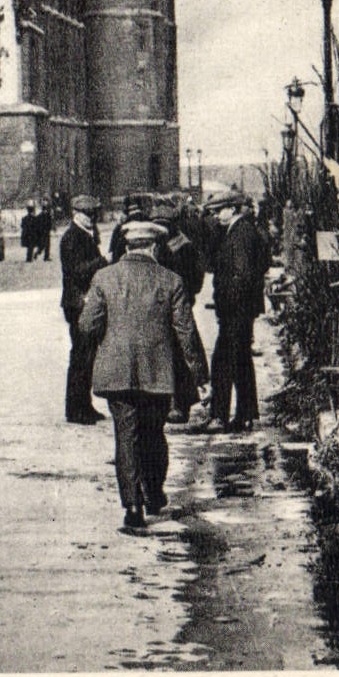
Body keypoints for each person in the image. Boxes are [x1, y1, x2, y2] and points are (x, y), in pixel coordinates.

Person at [79, 215, 208, 532]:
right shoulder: (170, 280)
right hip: (158, 372)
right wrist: (199, 373)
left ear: (127, 244)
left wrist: (110, 341)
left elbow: (86, 325)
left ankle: (132, 505)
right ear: (153, 245)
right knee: (154, 433)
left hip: (116, 374)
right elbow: (186, 332)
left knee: (126, 437)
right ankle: (153, 492)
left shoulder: (104, 278)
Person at [208, 196, 271, 431]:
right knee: (241, 361)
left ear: (231, 209)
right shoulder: (243, 230)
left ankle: (220, 417)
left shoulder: (240, 234)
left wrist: (227, 302)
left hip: (236, 310)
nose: (215, 216)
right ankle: (244, 414)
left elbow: (241, 275)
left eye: (218, 211)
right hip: (241, 309)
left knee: (224, 362)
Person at [153, 200, 208, 422]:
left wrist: (187, 297)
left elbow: (196, 276)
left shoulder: (183, 247)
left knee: (181, 353)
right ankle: (166, 402)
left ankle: (181, 403)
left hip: (178, 305)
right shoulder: (158, 245)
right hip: (160, 308)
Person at [59, 195, 108, 423]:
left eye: (94, 214)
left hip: (83, 302)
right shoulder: (72, 238)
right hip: (77, 303)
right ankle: (76, 409)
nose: (92, 218)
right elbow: (77, 271)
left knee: (87, 356)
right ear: (76, 214)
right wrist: (101, 262)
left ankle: (84, 405)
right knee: (80, 356)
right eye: (88, 214)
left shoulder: (86, 234)